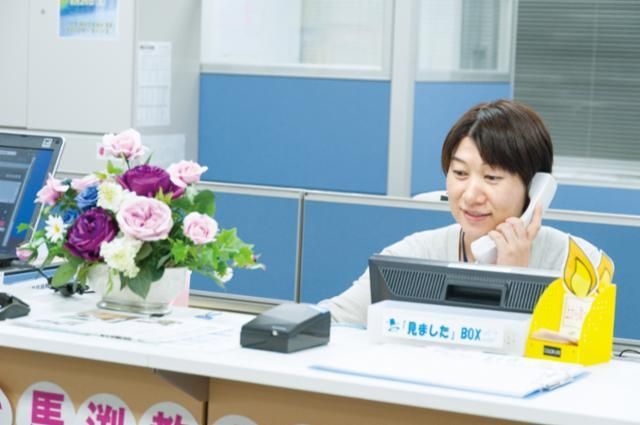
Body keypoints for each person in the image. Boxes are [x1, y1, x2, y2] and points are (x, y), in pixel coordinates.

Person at [320, 99, 599, 324]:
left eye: (492, 177)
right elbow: (333, 319)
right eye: (460, 173)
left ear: (535, 188)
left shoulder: (577, 263)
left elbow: (572, 356)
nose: (470, 195)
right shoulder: (415, 254)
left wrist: (516, 279)